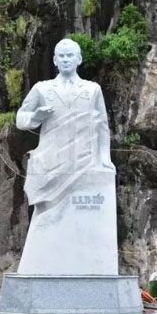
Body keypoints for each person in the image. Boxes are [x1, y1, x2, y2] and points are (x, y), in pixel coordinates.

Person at [15, 38, 118, 275]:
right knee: (47, 220)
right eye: (61, 56)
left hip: (85, 160)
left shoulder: (92, 90)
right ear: (54, 60)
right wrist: (37, 116)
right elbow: (21, 118)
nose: (65, 60)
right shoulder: (42, 88)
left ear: (79, 59)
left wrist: (105, 158)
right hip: (52, 162)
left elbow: (102, 124)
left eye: (70, 55)